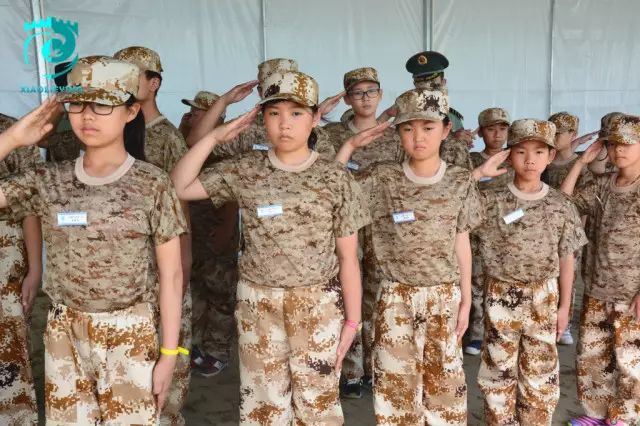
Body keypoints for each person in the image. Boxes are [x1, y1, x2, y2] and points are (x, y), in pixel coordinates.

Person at [171, 70, 370, 425]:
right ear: (262, 119)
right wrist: (214, 136)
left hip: (317, 304)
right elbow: (179, 186)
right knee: (263, 405)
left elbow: (347, 258)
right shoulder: (246, 169)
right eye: (274, 113)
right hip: (258, 303)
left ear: (314, 118)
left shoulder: (335, 178)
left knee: (317, 405)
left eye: (296, 113)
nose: (284, 123)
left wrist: (352, 321)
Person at [0, 57, 186, 424]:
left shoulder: (152, 183)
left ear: (131, 111)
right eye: (78, 103)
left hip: (130, 333)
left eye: (102, 104)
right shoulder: (47, 180)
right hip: (64, 333)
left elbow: (172, 275)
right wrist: (13, 139)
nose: (87, 115)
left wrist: (168, 354)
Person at [336, 87, 482, 424]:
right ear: (397, 131)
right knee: (396, 388)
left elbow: (462, 241)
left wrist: (466, 299)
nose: (418, 137)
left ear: (446, 129)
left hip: (444, 294)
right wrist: (349, 147)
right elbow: (333, 188)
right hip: (395, 296)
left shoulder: (460, 180)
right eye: (408, 128)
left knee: (445, 387)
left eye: (428, 127)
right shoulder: (383, 177)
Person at [473, 118, 587, 425]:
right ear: (508, 155)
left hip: (544, 295)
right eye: (521, 151)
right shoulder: (491, 200)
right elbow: (448, 204)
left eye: (539, 151)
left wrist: (565, 307)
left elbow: (567, 258)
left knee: (540, 372)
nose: (529, 159)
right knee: (498, 371)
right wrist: (479, 173)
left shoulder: (560, 204)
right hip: (500, 292)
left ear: (551, 156)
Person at [114, 45, 192, 425]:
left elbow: (182, 213)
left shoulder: (168, 138)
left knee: (168, 365)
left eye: (132, 75)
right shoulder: (112, 130)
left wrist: (183, 269)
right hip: (126, 274)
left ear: (153, 83)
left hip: (163, 267)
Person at [323, 66, 403, 398]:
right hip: (347, 226)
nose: (365, 98)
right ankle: (352, 370)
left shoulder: (395, 137)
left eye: (371, 91)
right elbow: (323, 177)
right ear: (347, 98)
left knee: (380, 296)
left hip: (385, 227)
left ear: (381, 95)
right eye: (357, 93)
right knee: (348, 293)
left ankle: (375, 367)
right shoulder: (333, 136)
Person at [561, 114, 640, 426]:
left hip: (630, 294)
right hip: (596, 289)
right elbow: (563, 203)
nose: (618, 150)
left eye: (627, 144)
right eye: (612, 144)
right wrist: (581, 162)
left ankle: (625, 418)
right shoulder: (602, 186)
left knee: (631, 361)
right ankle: (596, 414)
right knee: (592, 356)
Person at [179, 90, 239, 377]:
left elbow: (232, 193)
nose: (193, 114)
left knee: (220, 291)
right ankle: (199, 345)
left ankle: (218, 350)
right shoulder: (189, 139)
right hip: (195, 227)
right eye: (191, 110)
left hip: (217, 228)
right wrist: (183, 127)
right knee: (197, 288)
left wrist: (226, 229)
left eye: (198, 111)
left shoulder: (225, 142)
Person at [0, 114, 43, 425]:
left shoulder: (13, 130)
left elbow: (30, 207)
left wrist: (35, 269)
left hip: (6, 254)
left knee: (10, 342)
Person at [465, 107, 513, 356]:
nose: (497, 134)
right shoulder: (472, 161)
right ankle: (476, 334)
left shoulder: (515, 159)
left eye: (502, 129)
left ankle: (500, 333)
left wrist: (512, 221)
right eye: (491, 129)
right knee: (475, 284)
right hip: (476, 232)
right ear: (481, 132)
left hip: (507, 233)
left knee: (503, 284)